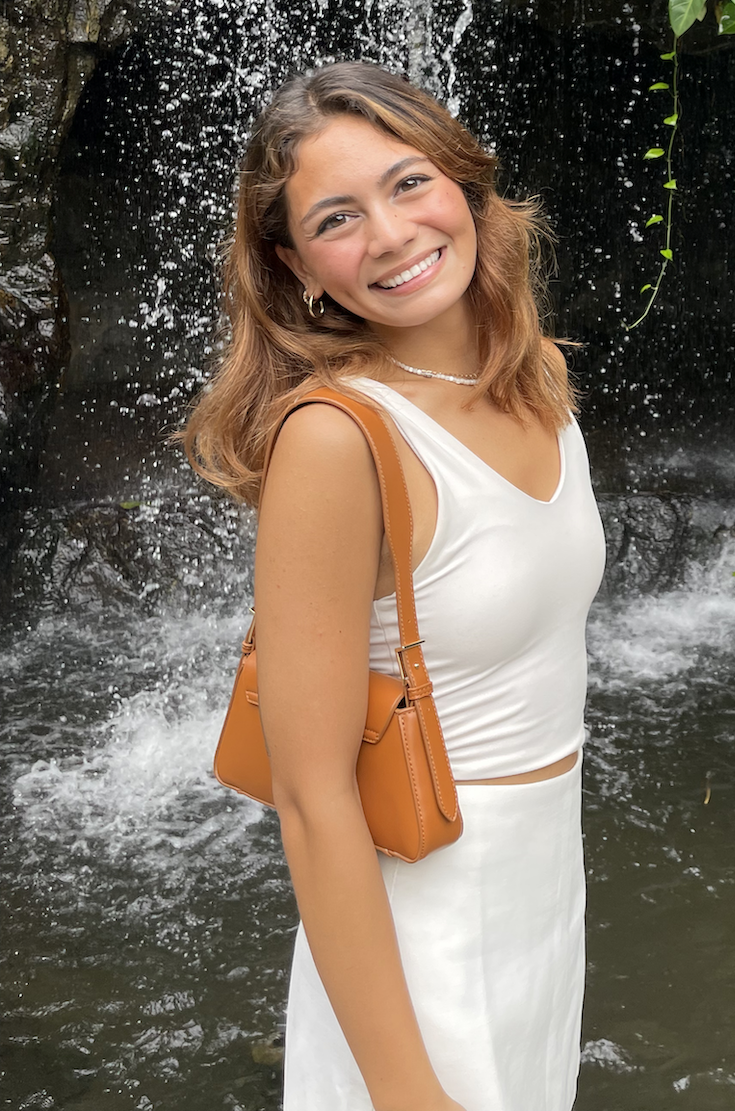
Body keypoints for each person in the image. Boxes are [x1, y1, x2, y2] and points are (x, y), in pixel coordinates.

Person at [184, 61, 607, 1111]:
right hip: (425, 927)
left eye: (408, 181)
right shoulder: (336, 439)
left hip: (543, 894)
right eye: (338, 216)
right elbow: (309, 792)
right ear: (298, 266)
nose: (390, 232)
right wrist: (403, 1085)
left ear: (464, 183)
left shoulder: (534, 375)